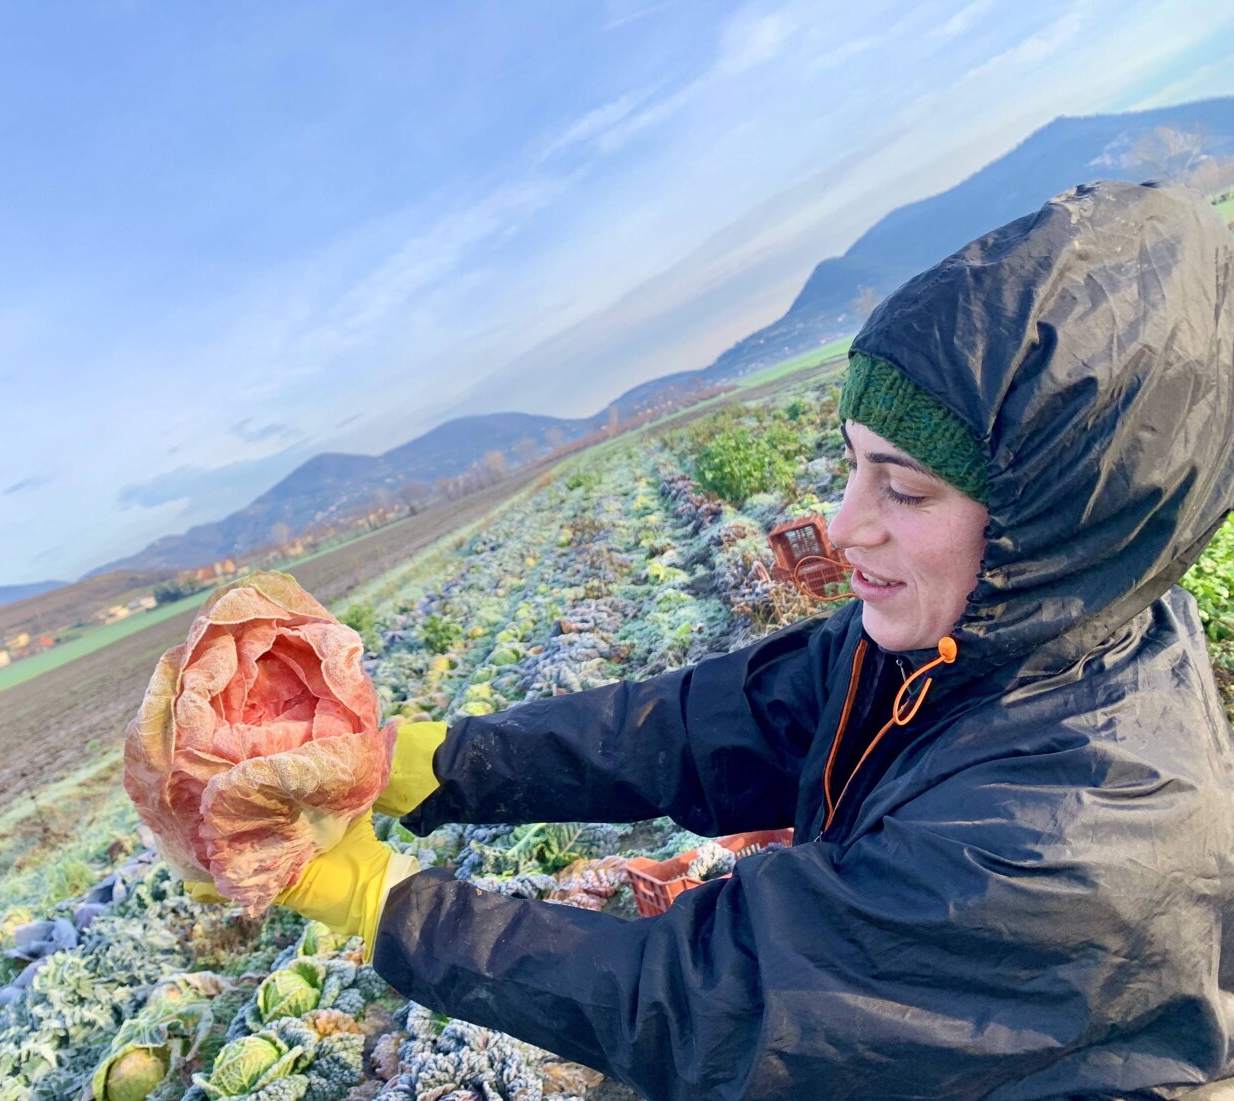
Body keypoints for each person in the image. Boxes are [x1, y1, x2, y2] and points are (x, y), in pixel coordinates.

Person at [276, 179, 1234, 1099]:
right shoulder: (987, 637)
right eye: (853, 465)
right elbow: (703, 725)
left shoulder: (1064, 838)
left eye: (903, 489)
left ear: (1058, 514)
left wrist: (386, 904)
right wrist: (436, 763)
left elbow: (717, 1006)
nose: (845, 522)